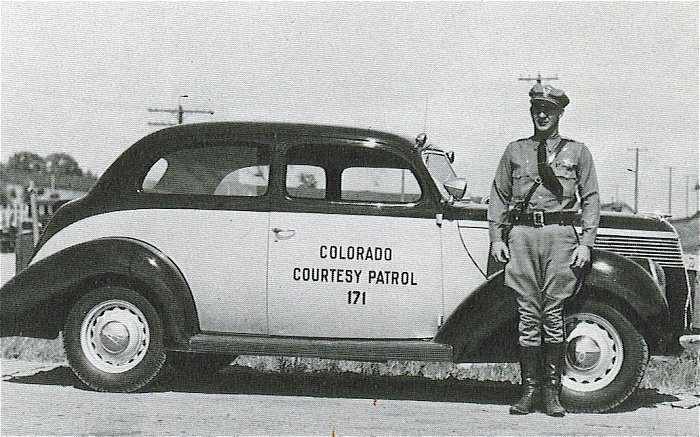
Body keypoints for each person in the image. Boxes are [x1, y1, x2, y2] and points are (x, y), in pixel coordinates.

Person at [488, 83, 600, 416]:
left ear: (559, 113)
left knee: (553, 313)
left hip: (560, 236)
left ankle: (552, 393)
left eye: (548, 110)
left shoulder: (577, 152)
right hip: (522, 236)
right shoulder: (515, 151)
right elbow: (498, 195)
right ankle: (529, 391)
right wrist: (497, 237)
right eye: (537, 108)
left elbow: (591, 198)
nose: (541, 115)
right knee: (527, 313)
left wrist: (586, 243)